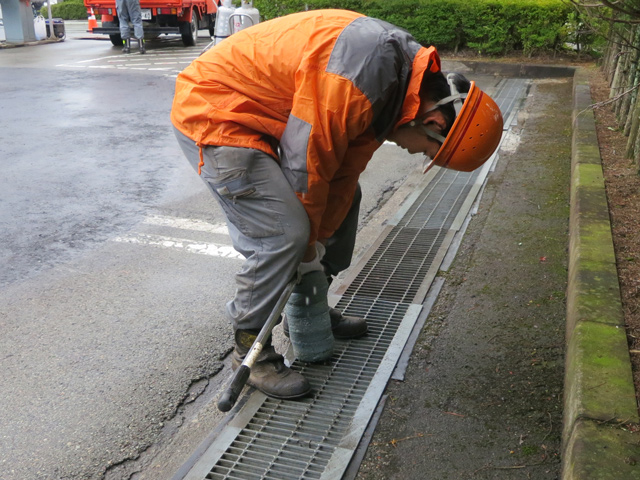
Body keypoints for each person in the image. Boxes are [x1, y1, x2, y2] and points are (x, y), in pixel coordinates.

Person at [171, 9, 503, 400]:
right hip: (216, 111)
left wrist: (319, 244)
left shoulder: (397, 86)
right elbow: (306, 166)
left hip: (261, 113)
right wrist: (307, 247)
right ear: (432, 124)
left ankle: (307, 309)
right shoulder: (362, 79)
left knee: (344, 201)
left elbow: (342, 173)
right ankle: (251, 350)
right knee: (285, 233)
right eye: (426, 154)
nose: (417, 155)